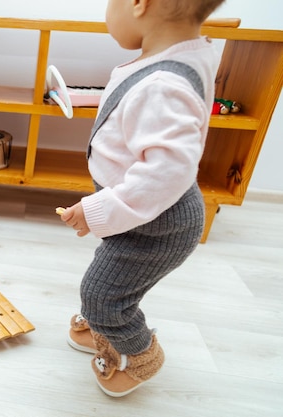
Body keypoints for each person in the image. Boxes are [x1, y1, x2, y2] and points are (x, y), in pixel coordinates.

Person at [59, 0, 226, 397]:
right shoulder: (180, 57)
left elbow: (164, 175)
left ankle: (141, 354)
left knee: (103, 295)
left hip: (154, 225)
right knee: (112, 279)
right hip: (142, 214)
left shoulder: (163, 85)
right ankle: (104, 323)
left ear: (139, 4)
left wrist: (96, 210)